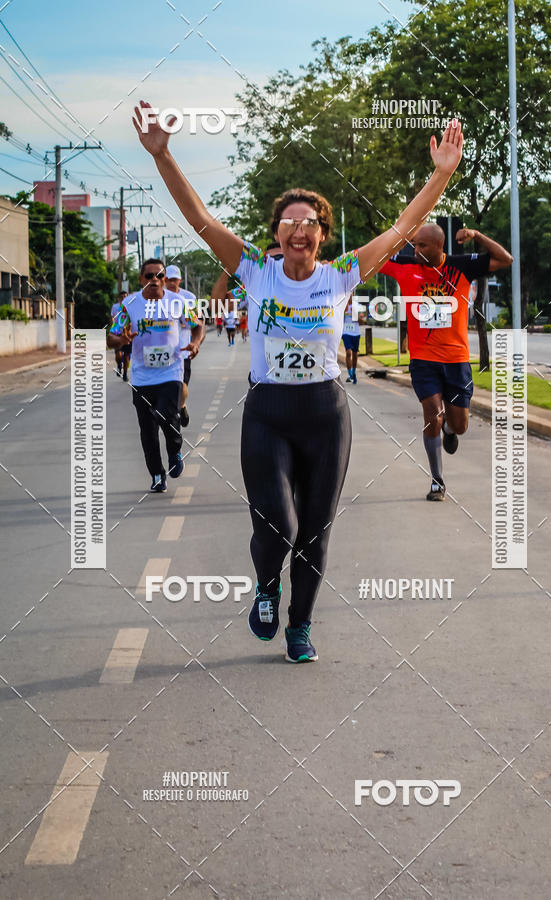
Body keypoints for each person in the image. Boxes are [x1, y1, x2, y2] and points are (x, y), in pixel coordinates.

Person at [133, 99, 463, 660]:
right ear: (277, 234)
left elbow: (404, 226)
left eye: (308, 224)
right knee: (278, 525)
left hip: (324, 416)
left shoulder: (342, 276)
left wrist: (442, 174)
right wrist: (164, 156)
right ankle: (266, 585)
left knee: (315, 530)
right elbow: (201, 220)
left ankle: (300, 625)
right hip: (268, 415)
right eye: (288, 224)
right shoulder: (255, 272)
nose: (297, 232)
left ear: (321, 234)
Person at [380, 224, 513, 501]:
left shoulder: (461, 266)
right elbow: (367, 258)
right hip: (423, 360)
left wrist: (478, 235)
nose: (416, 250)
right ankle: (437, 482)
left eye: (422, 246)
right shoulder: (404, 265)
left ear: (439, 247)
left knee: (459, 424)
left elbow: (505, 259)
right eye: (414, 245)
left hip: (456, 360)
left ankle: (451, 430)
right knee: (432, 415)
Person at [107, 258, 203, 492]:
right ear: (141, 280)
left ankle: (174, 450)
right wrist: (122, 339)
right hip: (141, 376)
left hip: (171, 372)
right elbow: (111, 337)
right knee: (147, 430)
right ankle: (157, 475)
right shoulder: (129, 305)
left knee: (165, 415)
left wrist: (195, 342)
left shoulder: (177, 302)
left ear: (165, 279)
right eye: (149, 276)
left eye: (159, 276)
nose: (155, 280)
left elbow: (197, 325)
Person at [164, 264, 198, 427]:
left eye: (175, 280)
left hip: (182, 350)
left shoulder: (188, 298)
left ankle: (181, 405)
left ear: (180, 280)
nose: (172, 283)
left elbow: (196, 321)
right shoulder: (156, 298)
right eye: (169, 280)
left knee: (182, 386)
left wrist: (196, 342)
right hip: (162, 351)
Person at [110, 290, 131, 381]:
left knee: (126, 355)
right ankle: (119, 365)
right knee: (118, 354)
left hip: (127, 333)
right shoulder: (115, 307)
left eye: (125, 296)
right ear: (119, 298)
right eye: (122, 297)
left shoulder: (130, 307)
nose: (123, 298)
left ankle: (125, 373)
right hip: (117, 333)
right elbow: (112, 317)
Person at [342, 295, 360, 384]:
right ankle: (350, 375)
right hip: (346, 332)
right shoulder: (342, 304)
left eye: (351, 295)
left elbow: (362, 320)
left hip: (356, 332)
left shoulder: (357, 305)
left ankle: (354, 372)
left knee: (355, 354)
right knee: (348, 352)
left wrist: (355, 314)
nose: (350, 297)